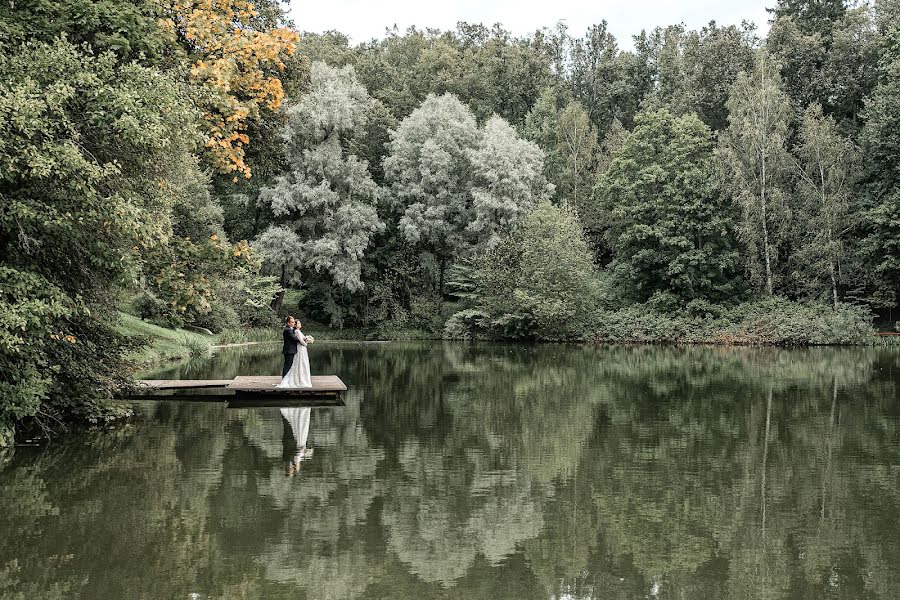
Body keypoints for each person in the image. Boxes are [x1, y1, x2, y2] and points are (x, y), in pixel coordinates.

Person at [278, 318, 312, 388]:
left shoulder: (292, 330)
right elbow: (294, 338)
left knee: (290, 366)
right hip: (289, 350)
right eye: (292, 322)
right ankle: (284, 380)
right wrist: (305, 340)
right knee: (287, 366)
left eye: (294, 322)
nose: (294, 323)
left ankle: (288, 379)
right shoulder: (288, 330)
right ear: (288, 323)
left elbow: (296, 338)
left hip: (292, 350)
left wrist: (304, 339)